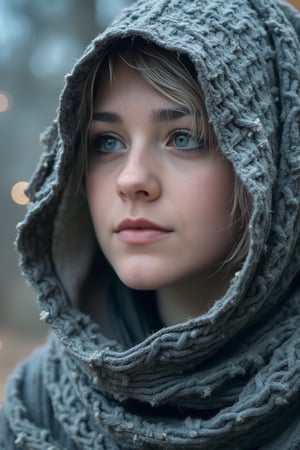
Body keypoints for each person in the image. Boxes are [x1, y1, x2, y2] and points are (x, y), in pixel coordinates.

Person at [1, 0, 300, 448]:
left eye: (183, 137)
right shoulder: (35, 404)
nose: (132, 179)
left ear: (276, 164)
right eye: (107, 142)